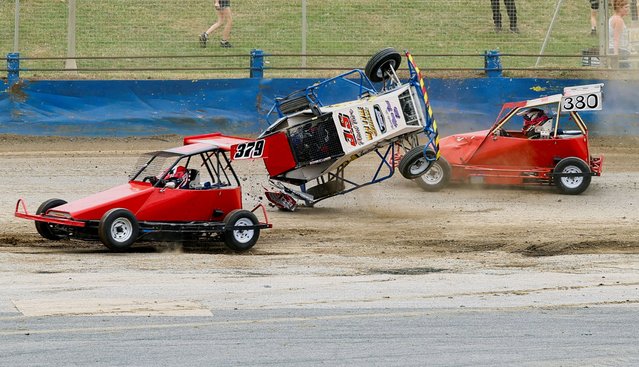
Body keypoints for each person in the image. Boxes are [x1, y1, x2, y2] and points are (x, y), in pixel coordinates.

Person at [609, 0, 632, 67]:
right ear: (619, 8)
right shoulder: (618, 20)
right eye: (626, 7)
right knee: (627, 74)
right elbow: (616, 39)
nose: (628, 9)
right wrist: (616, 54)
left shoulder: (613, 18)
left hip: (618, 51)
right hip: (619, 52)